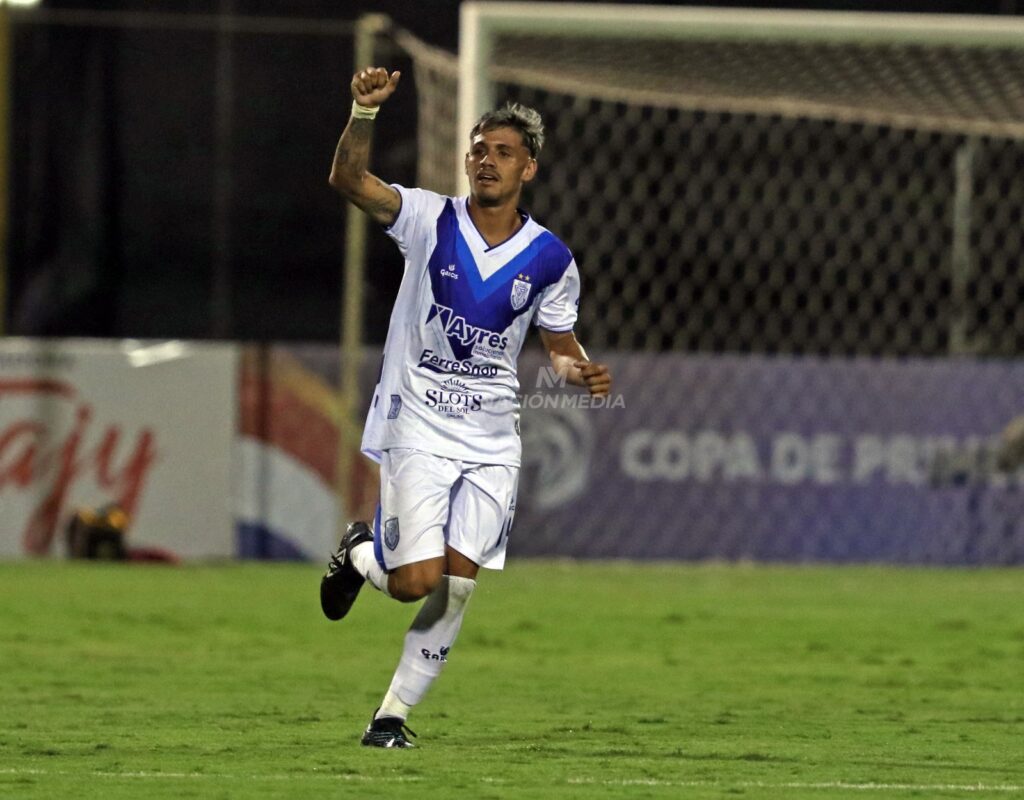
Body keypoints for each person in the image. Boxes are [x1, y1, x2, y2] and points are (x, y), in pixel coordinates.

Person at [321, 66, 612, 749]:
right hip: (417, 422)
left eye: (503, 152)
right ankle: (361, 552)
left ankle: (389, 718)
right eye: (479, 149)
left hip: (491, 439)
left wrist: (579, 371)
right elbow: (348, 182)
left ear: (528, 169)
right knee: (412, 582)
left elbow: (559, 342)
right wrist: (363, 113)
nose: (486, 159)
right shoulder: (428, 218)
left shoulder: (550, 258)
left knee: (455, 587)